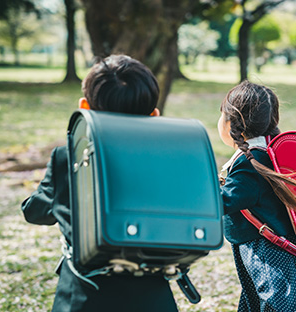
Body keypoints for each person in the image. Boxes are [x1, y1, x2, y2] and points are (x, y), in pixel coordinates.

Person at [21, 55, 178, 312]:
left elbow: (35, 212)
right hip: (152, 295)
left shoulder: (68, 158)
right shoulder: (167, 158)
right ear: (154, 114)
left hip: (84, 294)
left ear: (84, 107)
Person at [218, 80, 296, 312]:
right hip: (284, 243)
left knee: (277, 299)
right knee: (270, 295)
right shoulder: (269, 151)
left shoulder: (251, 163)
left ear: (233, 122)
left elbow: (226, 200)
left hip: (266, 248)